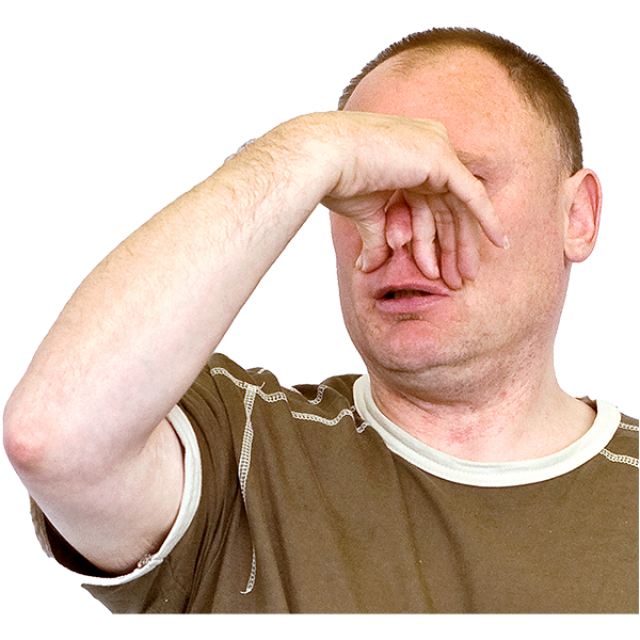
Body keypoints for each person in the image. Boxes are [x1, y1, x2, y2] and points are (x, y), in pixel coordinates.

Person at [3, 27, 638, 615]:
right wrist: (311, 148)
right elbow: (54, 438)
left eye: (456, 184)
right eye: (365, 187)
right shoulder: (241, 451)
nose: (399, 233)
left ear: (577, 217)